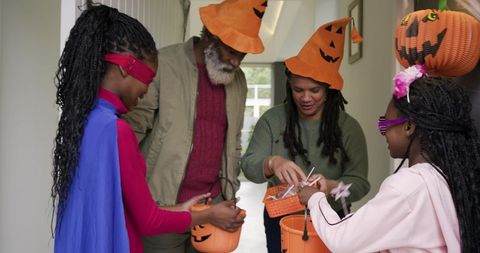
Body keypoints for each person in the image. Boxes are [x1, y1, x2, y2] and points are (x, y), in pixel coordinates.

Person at [51, 5, 243, 253]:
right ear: (125, 68)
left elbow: (126, 206)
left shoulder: (85, 120)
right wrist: (208, 216)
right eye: (148, 80)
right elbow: (148, 220)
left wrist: (179, 208)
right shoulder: (117, 131)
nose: (145, 92)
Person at [123, 0, 268, 252]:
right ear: (210, 37)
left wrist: (230, 193)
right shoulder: (164, 64)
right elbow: (131, 133)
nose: (236, 62)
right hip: (163, 205)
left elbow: (232, 142)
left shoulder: (239, 81)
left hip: (214, 206)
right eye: (231, 51)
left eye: (242, 55)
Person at [299, 65, 480, 252]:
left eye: (385, 123)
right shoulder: (448, 176)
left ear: (408, 127)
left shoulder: (408, 186)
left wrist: (315, 199)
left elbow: (342, 241)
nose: (383, 132)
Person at [241, 17, 370, 253]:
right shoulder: (272, 120)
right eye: (298, 90)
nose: (306, 98)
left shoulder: (348, 128)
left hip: (332, 220)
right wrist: (272, 162)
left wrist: (330, 187)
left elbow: (360, 185)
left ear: (329, 90)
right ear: (289, 88)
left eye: (315, 90)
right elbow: (249, 166)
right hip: (280, 220)